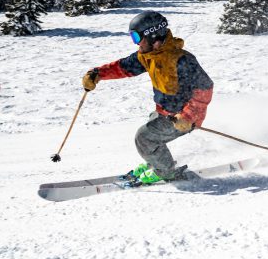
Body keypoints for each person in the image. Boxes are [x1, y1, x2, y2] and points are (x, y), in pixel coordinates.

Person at [82, 11, 213, 184]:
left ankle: (166, 172)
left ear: (153, 37)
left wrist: (188, 117)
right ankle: (156, 162)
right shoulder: (148, 56)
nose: (136, 43)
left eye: (137, 37)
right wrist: (98, 74)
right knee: (151, 134)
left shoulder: (181, 60)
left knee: (144, 138)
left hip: (184, 117)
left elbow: (205, 88)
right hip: (164, 111)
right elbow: (123, 67)